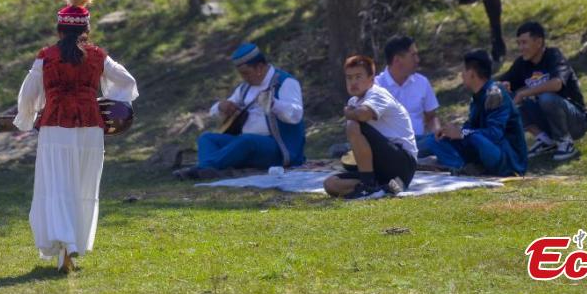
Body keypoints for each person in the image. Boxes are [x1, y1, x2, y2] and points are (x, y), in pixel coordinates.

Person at [13, 0, 138, 273]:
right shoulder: (98, 57)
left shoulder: (46, 58)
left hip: (56, 129)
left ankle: (63, 246)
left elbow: (28, 94)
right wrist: (107, 102)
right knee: (82, 185)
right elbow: (128, 83)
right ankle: (71, 248)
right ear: (86, 28)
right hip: (90, 131)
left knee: (57, 185)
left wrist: (27, 116)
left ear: (59, 30)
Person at [174, 43, 305, 179]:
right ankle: (207, 169)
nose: (244, 78)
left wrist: (273, 104)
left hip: (278, 148)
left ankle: (203, 168)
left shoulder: (286, 82)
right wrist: (221, 107)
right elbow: (214, 113)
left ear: (259, 67)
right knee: (207, 138)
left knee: (246, 141)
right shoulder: (245, 88)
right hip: (246, 145)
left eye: (246, 73)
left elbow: (296, 115)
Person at [323, 55, 418, 199]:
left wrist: (347, 112)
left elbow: (362, 115)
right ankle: (382, 188)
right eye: (349, 78)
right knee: (330, 184)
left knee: (353, 124)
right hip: (382, 168)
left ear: (371, 78)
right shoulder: (354, 101)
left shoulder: (378, 93)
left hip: (403, 164)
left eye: (358, 77)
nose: (353, 82)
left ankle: (368, 186)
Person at [422, 50, 527, 176]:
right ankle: (462, 167)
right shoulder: (479, 95)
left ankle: (463, 167)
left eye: (464, 71)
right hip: (484, 150)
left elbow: (494, 134)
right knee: (435, 140)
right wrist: (450, 132)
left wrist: (462, 133)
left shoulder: (495, 94)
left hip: (508, 159)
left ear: (472, 73)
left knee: (476, 138)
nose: (462, 75)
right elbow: (471, 128)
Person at [496, 21, 587, 161]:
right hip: (548, 121)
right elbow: (502, 82)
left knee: (546, 97)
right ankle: (545, 140)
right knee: (505, 98)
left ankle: (565, 141)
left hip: (576, 121)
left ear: (539, 42)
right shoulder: (522, 64)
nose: (521, 48)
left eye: (524, 43)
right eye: (519, 43)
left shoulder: (554, 56)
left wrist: (523, 93)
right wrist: (500, 86)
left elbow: (557, 84)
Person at [375, 35, 440, 157]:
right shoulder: (376, 86)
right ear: (397, 60)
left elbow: (431, 117)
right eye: (413, 55)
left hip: (417, 142)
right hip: (388, 144)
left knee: (437, 141)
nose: (418, 60)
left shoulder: (422, 82)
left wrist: (437, 132)